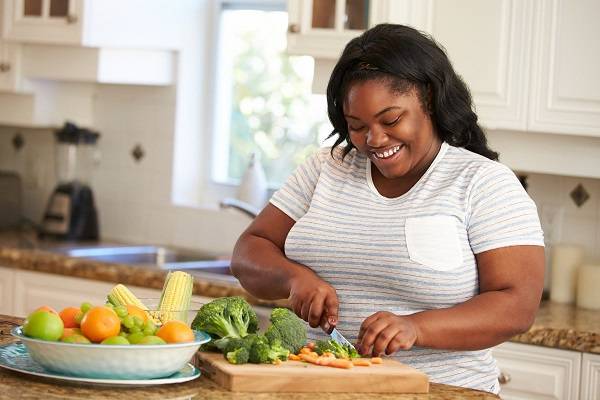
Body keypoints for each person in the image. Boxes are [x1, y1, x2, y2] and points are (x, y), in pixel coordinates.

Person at [231, 23, 544, 394]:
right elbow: (249, 250)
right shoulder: (327, 167)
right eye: (357, 126)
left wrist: (417, 327)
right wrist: (294, 278)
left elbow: (517, 305)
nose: (374, 140)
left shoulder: (483, 183)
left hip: (440, 391)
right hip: (317, 386)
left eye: (391, 120)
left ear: (428, 98)